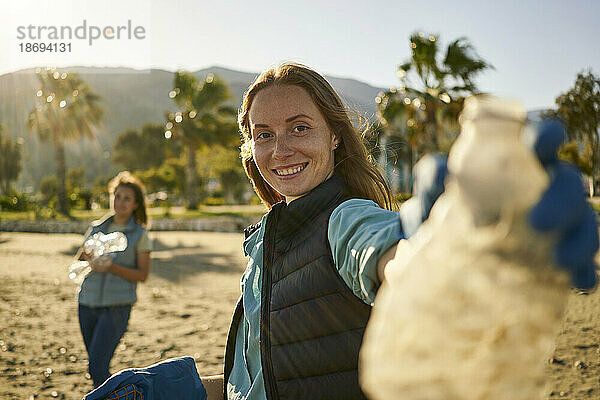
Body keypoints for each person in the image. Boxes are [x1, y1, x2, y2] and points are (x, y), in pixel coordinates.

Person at [86, 64, 597, 400]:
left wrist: (452, 247)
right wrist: (190, 390)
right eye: (263, 135)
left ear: (333, 134)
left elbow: (390, 253)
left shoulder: (344, 217)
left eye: (299, 127)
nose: (280, 148)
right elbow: (273, 376)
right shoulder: (267, 239)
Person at [76, 171, 152, 388]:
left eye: (127, 198)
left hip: (116, 307)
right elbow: (80, 258)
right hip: (85, 303)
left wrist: (112, 267)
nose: (120, 202)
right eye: (117, 196)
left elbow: (142, 275)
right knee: (95, 366)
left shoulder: (139, 235)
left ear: (136, 204)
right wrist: (89, 259)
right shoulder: (96, 227)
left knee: (97, 367)